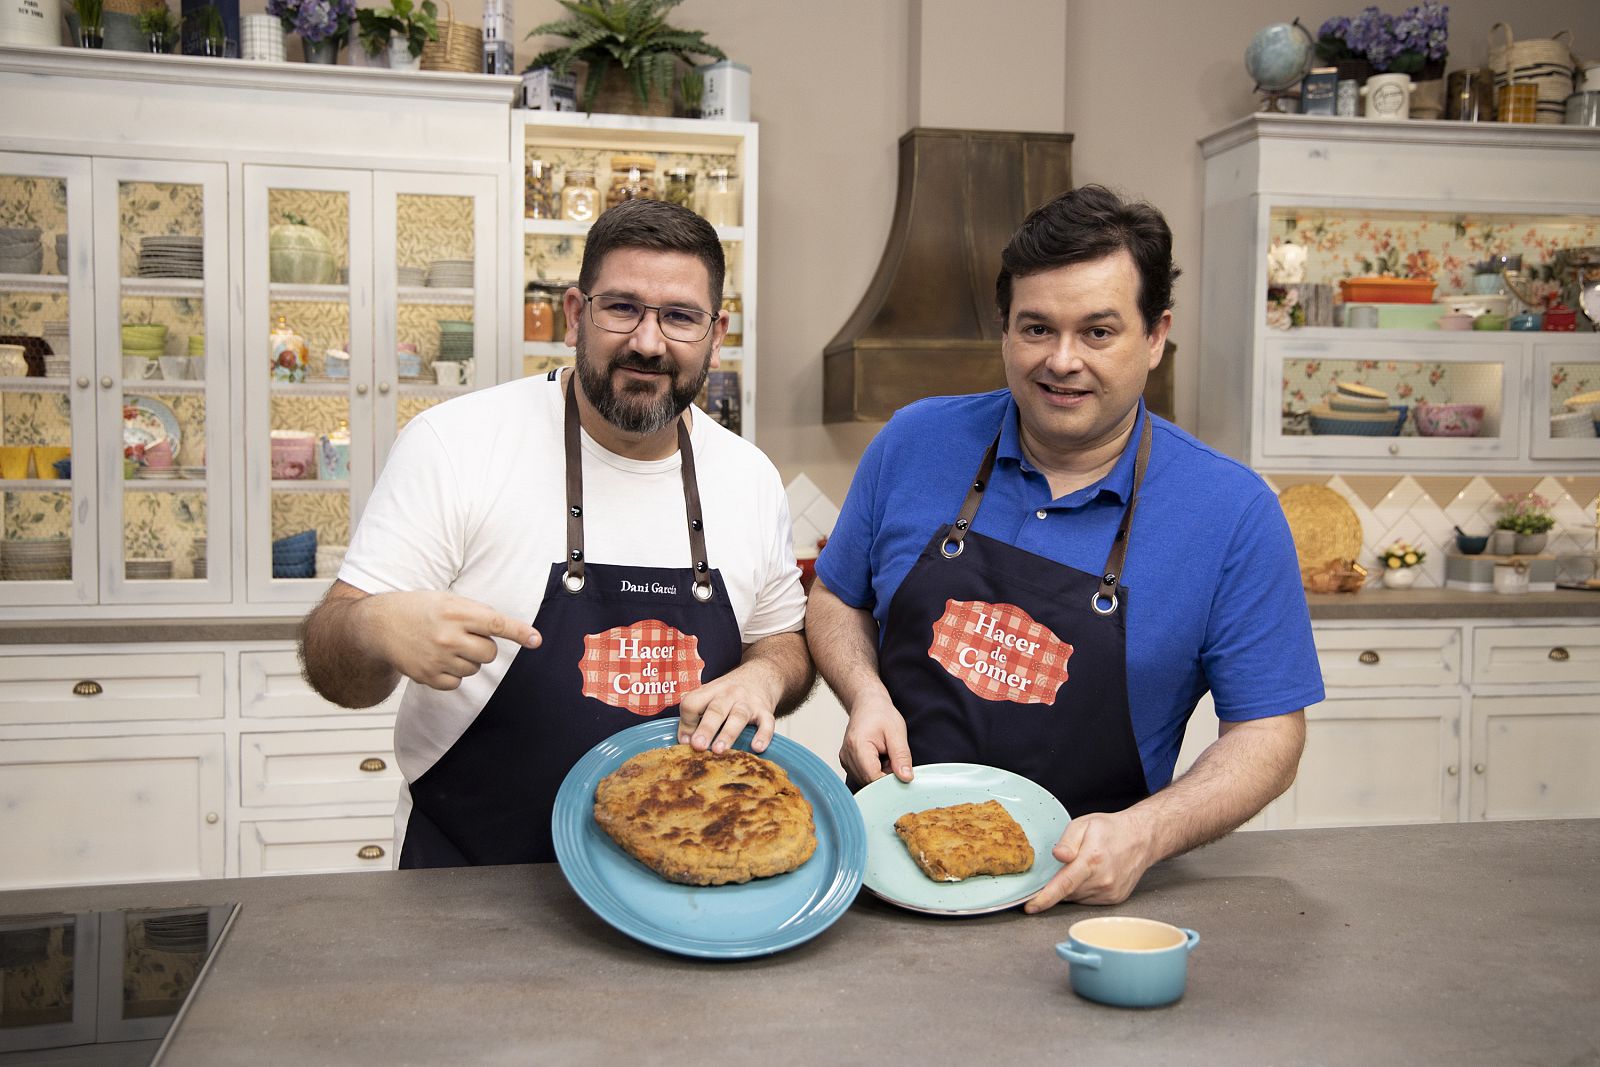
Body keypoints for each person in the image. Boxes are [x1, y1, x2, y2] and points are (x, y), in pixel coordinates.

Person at [806, 184, 1323, 909]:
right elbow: (837, 595)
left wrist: (1147, 832)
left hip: (1093, 899)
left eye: (1099, 331)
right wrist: (863, 693)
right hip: (882, 876)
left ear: (1155, 334)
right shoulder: (914, 441)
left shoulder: (1233, 513)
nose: (1062, 360)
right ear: (1006, 331)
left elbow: (1268, 732)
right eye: (1036, 328)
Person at [299, 198, 812, 869]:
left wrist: (765, 676)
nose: (648, 342)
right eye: (621, 307)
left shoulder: (749, 477)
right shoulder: (456, 446)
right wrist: (372, 626)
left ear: (715, 334)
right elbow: (337, 668)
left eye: (679, 317)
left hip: (686, 876)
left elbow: (782, 643)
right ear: (575, 313)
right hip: (470, 882)